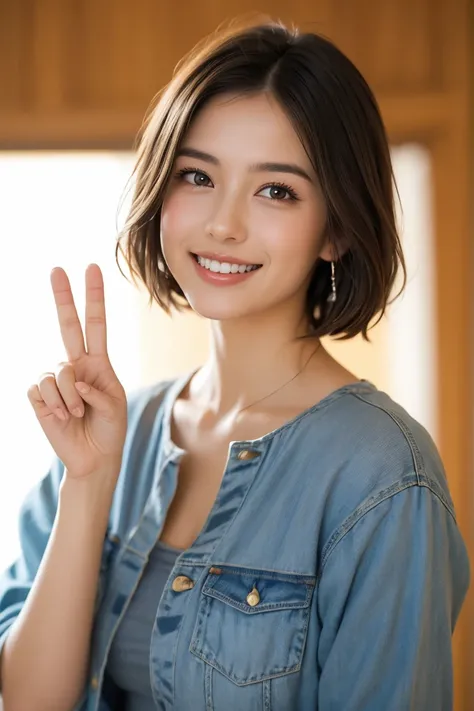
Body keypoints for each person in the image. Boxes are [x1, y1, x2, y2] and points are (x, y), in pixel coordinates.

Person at [0, 18, 470, 711]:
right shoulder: (114, 433)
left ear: (335, 228)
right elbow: (29, 700)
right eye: (198, 175)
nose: (224, 224)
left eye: (275, 190)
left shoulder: (383, 472)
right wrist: (89, 482)